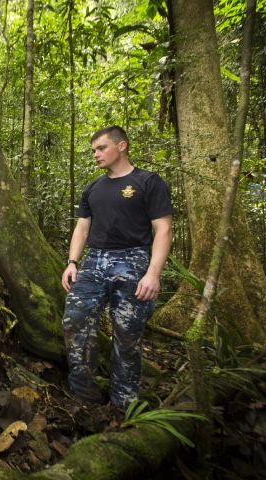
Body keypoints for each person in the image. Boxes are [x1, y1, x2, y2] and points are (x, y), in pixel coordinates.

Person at [60, 126, 173, 409]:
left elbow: (163, 229)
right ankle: (84, 393)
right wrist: (72, 262)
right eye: (94, 150)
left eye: (101, 148)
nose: (96, 154)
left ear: (122, 146)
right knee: (74, 320)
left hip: (133, 259)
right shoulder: (92, 188)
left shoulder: (148, 182)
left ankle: (124, 403)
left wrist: (153, 274)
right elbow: (82, 228)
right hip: (94, 261)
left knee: (127, 333)